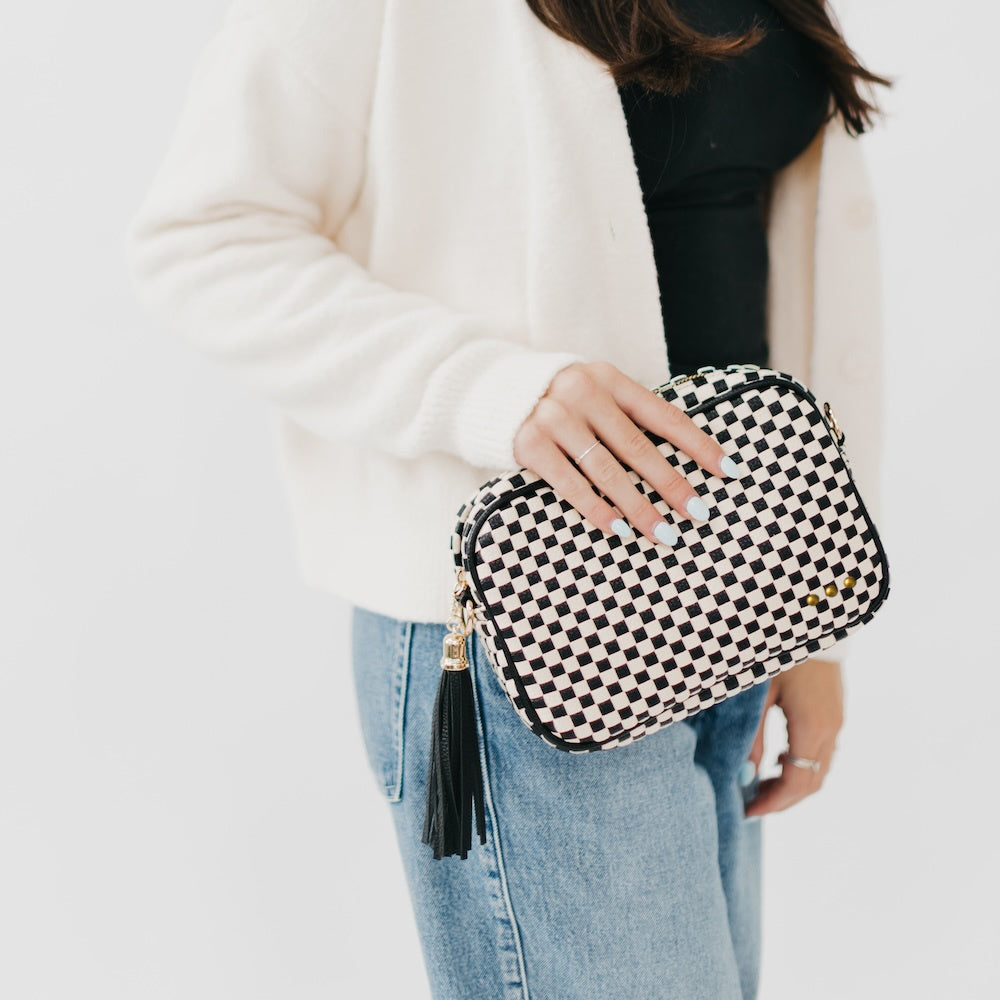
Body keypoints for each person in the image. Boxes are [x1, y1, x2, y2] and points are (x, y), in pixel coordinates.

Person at [124, 1, 888, 996]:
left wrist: (814, 619)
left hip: (734, 596)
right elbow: (204, 240)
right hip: (532, 622)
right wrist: (487, 389)